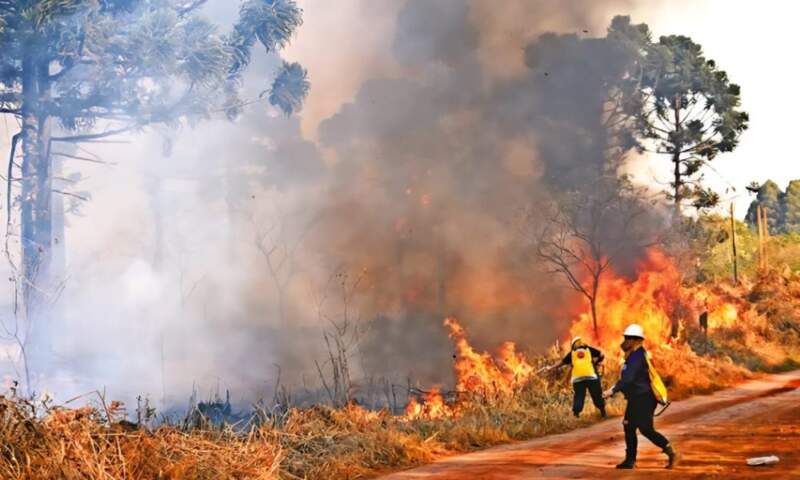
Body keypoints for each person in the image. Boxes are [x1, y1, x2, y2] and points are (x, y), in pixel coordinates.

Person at [603, 324, 678, 469]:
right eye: (625, 338)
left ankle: (671, 453)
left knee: (646, 429)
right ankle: (630, 460)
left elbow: (627, 380)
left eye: (627, 338)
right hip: (638, 398)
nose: (624, 341)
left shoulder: (636, 357)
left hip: (643, 399)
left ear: (635, 340)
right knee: (629, 426)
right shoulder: (636, 354)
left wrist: (611, 391)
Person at [546, 336, 606, 418]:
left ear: (573, 344)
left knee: (579, 396)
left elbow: (561, 362)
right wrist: (596, 362)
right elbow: (602, 355)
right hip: (591, 376)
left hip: (578, 379)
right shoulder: (588, 349)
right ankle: (603, 411)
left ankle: (576, 414)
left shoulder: (572, 353)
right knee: (596, 394)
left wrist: (551, 367)